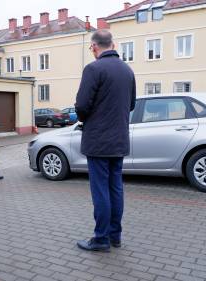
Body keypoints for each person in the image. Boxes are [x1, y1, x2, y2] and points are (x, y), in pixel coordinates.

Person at [75, 30, 136, 252]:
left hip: (98, 141)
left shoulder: (93, 69)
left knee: (100, 190)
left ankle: (101, 239)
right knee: (115, 188)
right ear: (113, 44)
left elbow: (82, 105)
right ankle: (115, 236)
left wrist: (86, 118)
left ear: (94, 46)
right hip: (119, 140)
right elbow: (131, 105)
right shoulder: (127, 70)